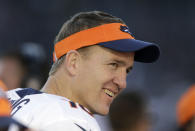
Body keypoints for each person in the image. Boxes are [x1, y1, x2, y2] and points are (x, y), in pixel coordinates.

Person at [7, 11, 160, 131]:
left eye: (126, 71)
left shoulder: (11, 98)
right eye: (113, 64)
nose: (122, 83)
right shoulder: (69, 119)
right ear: (73, 62)